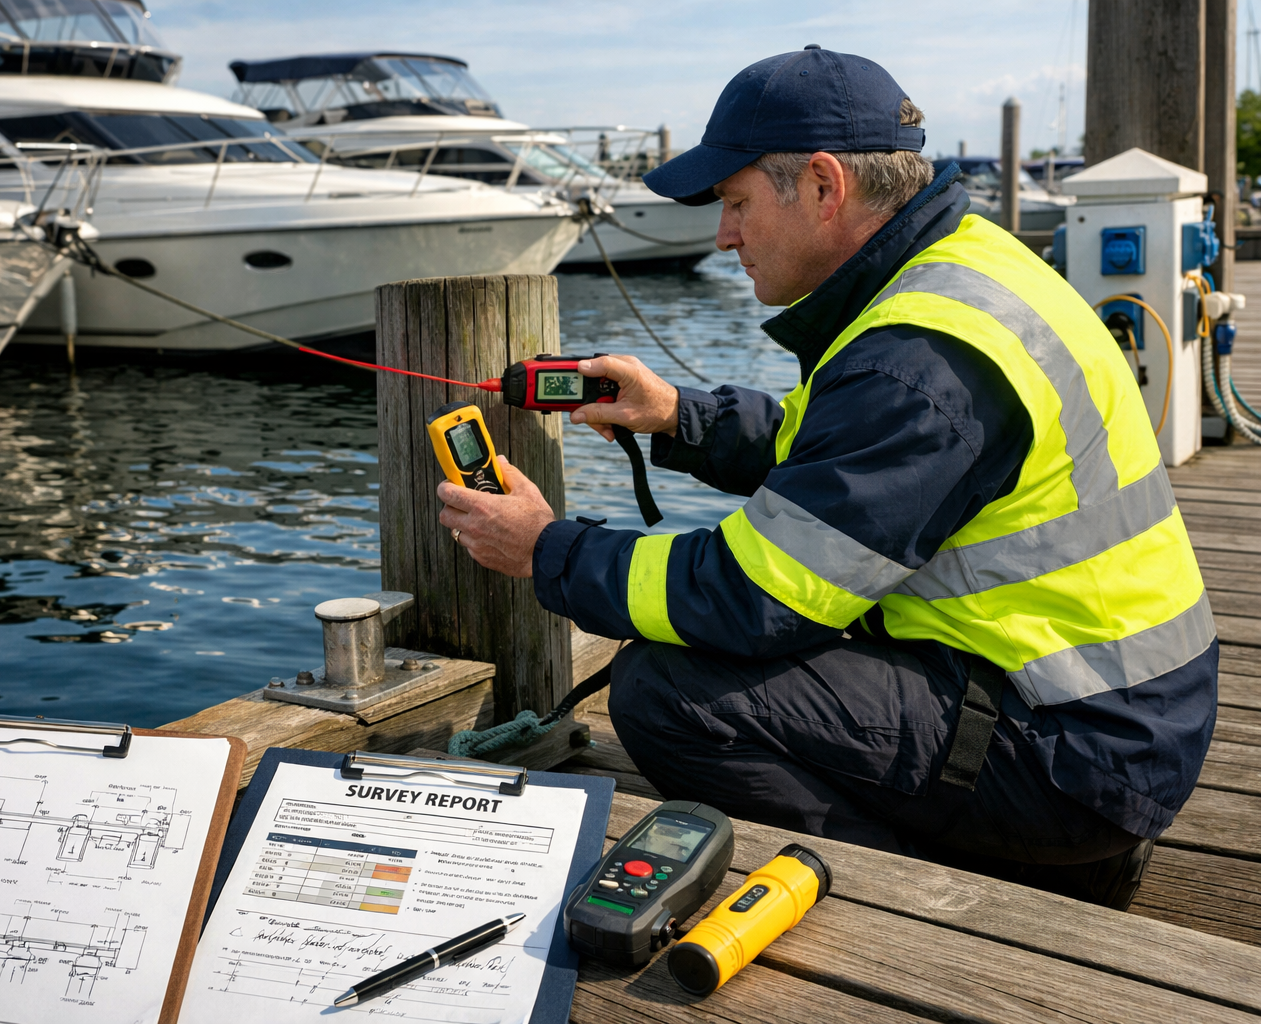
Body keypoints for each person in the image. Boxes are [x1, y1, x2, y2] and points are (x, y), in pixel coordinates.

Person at [434, 47, 1217, 910]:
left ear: (822, 185)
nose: (724, 235)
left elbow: (753, 597)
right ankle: (1039, 853)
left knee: (667, 693)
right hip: (1104, 705)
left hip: (1076, 756)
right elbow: (843, 464)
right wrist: (680, 416)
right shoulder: (958, 273)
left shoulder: (918, 361)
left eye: (736, 203)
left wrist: (546, 551)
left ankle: (975, 894)